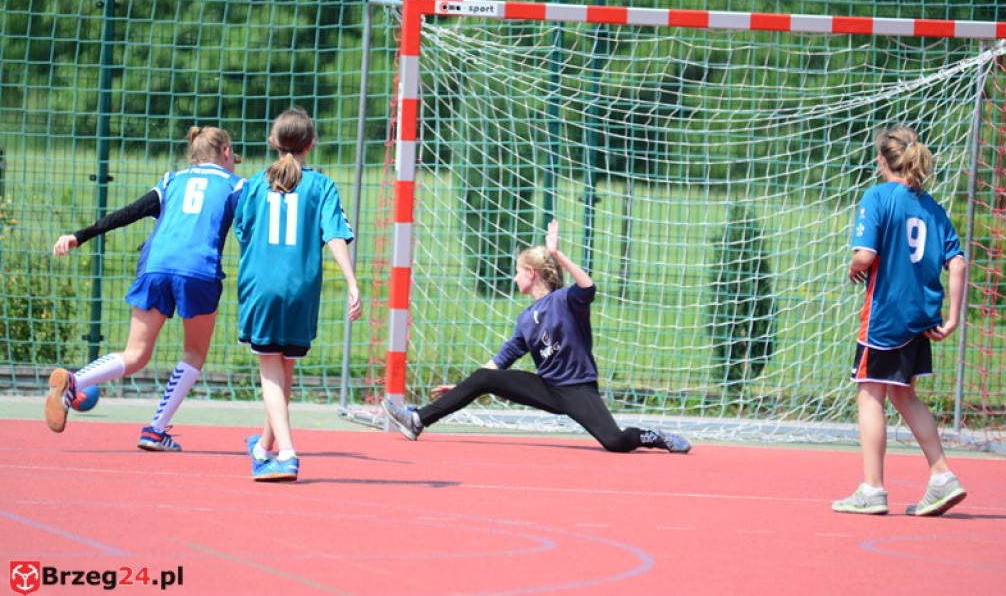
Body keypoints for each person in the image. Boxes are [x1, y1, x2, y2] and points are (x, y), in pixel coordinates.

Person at [382, 219, 692, 455]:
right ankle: (417, 421)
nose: (514, 277)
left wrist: (558, 253)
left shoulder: (567, 300)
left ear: (531, 273)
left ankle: (653, 437)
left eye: (517, 271)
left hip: (577, 390)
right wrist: (465, 387)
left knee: (614, 442)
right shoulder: (524, 321)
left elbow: (589, 287)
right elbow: (499, 362)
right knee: (482, 377)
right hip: (547, 389)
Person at [46, 126, 244, 451]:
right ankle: (155, 428)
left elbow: (128, 213)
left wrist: (79, 235)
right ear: (225, 153)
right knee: (194, 354)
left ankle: (75, 381)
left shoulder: (171, 181)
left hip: (154, 266)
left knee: (134, 354)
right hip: (198, 270)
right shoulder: (237, 185)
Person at [832, 124, 967, 517]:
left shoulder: (878, 196)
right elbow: (957, 263)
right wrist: (954, 318)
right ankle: (942, 476)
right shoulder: (932, 207)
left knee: (869, 393)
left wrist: (854, 266)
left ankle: (873, 488)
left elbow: (867, 253)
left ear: (882, 161)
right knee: (904, 395)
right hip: (919, 316)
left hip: (885, 314)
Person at [236, 107, 362, 482]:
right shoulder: (321, 185)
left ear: (273, 142)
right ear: (312, 143)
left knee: (270, 370)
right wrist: (352, 282)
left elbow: (243, 233)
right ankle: (263, 446)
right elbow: (334, 235)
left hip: (262, 284)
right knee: (284, 365)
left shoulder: (256, 184)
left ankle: (287, 453)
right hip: (302, 288)